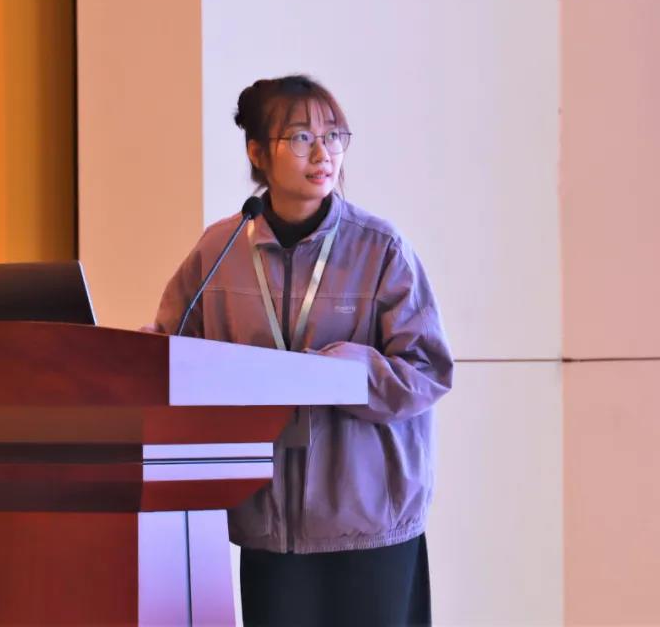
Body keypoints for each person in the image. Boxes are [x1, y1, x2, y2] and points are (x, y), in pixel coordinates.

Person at [149, 75, 454, 626]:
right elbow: (171, 350)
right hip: (269, 527)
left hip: (368, 525)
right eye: (300, 138)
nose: (322, 154)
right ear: (256, 152)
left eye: (333, 136)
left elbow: (428, 371)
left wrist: (348, 373)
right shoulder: (221, 248)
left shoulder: (380, 248)